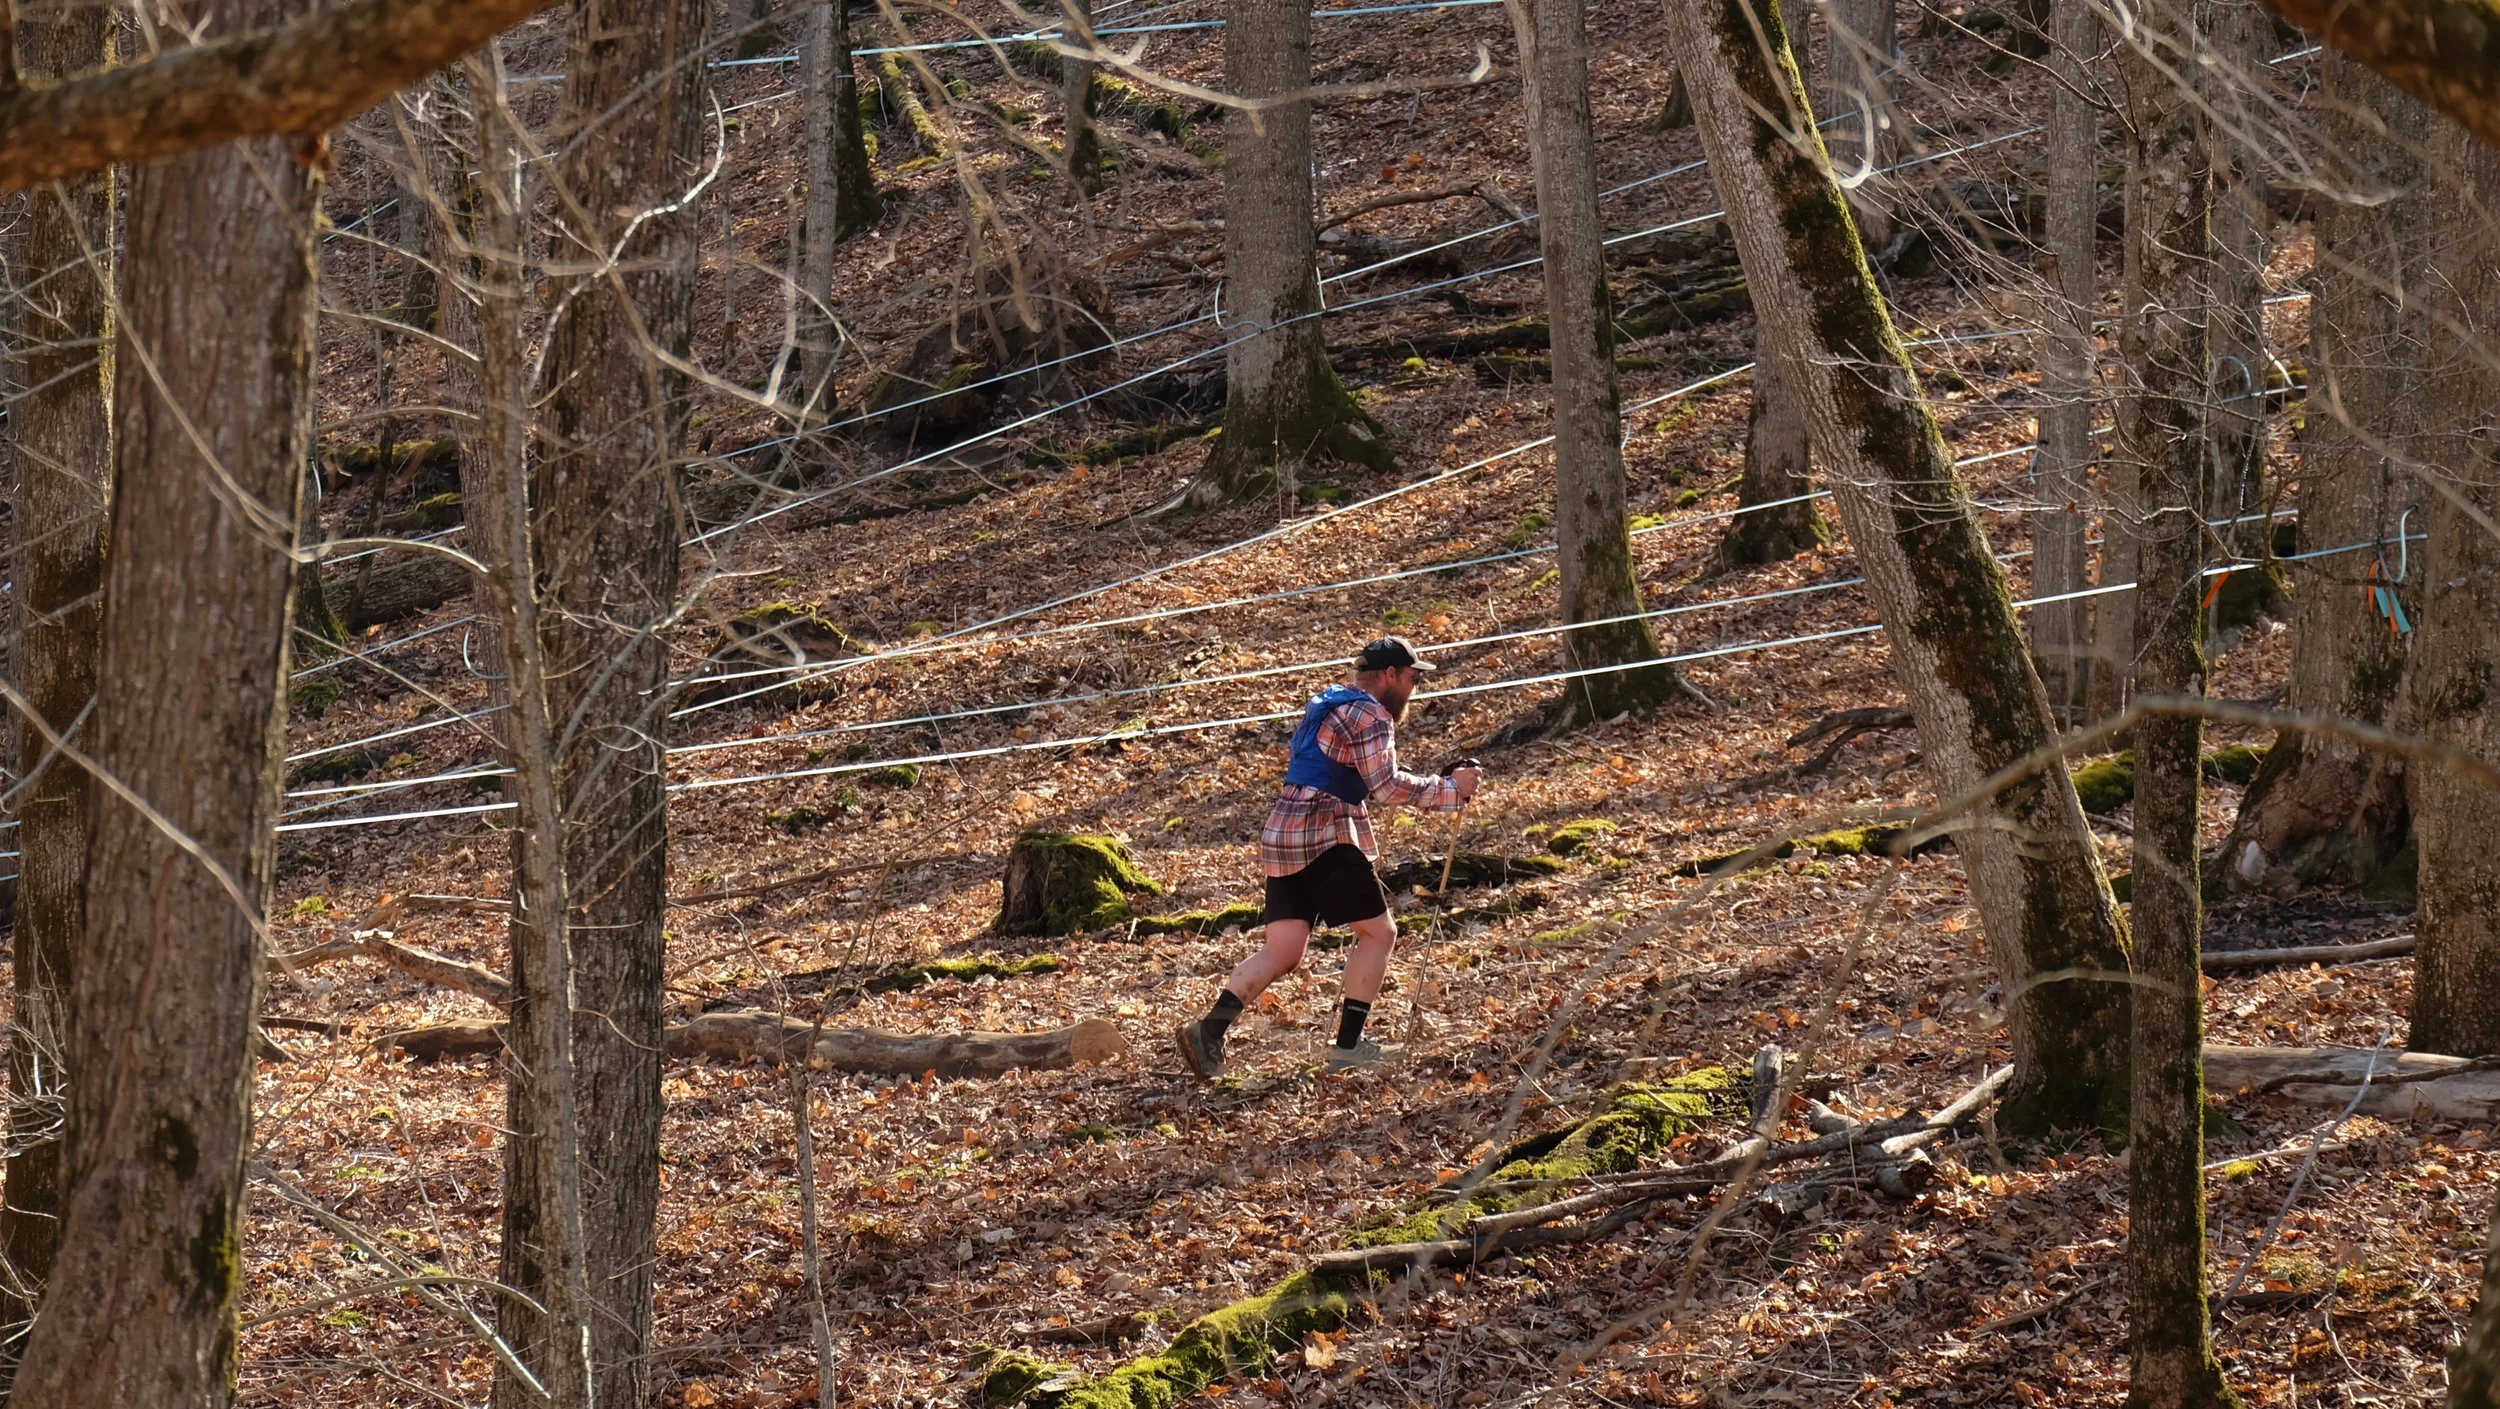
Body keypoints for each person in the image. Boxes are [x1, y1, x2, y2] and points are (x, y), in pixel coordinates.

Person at [1175, 636, 1483, 1076]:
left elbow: (1361, 773)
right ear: (1390, 675)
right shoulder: (1373, 714)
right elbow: (1387, 786)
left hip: (1283, 832)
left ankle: (1208, 1031)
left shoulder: (1334, 705)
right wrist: (1451, 791)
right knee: (1379, 934)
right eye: (1413, 677)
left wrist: (1437, 781)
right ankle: (1347, 1047)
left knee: (1282, 950)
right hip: (1323, 833)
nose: (1415, 687)